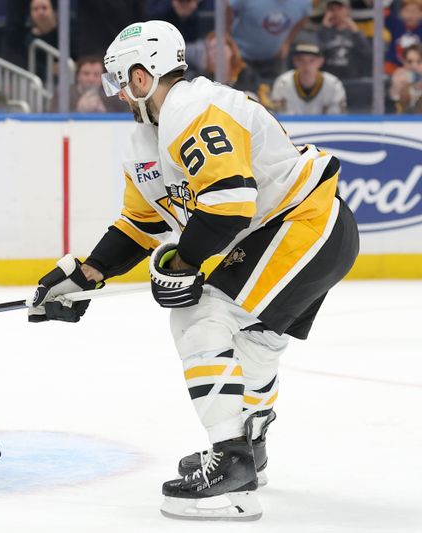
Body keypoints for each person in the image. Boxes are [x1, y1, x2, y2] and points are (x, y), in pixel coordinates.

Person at [28, 20, 359, 520]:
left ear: (142, 77)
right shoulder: (148, 138)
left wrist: (182, 265)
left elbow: (229, 203)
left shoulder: (193, 107)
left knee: (198, 313)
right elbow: (141, 224)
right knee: (256, 339)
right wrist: (85, 274)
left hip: (300, 227)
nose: (117, 94)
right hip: (306, 232)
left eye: (120, 81)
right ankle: (249, 444)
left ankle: (230, 467)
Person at [227, 0, 313, 80]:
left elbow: (304, 17)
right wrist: (227, 37)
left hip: (274, 57)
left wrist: (287, 41)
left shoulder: (304, 3)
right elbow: (227, 10)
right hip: (240, 55)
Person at [185, 31, 271, 105]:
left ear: (231, 50)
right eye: (210, 48)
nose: (214, 51)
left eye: (218, 46)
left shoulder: (247, 74)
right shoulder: (204, 80)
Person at [271, 42, 347, 114]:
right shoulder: (283, 83)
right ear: (295, 61)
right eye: (302, 60)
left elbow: (337, 119)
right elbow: (279, 117)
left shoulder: (334, 85)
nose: (307, 66)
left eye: (312, 60)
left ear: (321, 62)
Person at [49, 56, 129, 112]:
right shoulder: (64, 93)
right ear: (77, 76)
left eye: (96, 75)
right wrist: (78, 111)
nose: (91, 79)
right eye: (86, 73)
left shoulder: (112, 96)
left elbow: (126, 116)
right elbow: (52, 118)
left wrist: (104, 112)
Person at [317, 0, 373, 79]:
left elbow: (368, 55)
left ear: (348, 10)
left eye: (339, 9)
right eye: (332, 9)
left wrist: (356, 31)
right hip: (329, 79)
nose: (336, 12)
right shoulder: (323, 32)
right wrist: (324, 29)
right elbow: (317, 55)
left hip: (353, 80)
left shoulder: (355, 32)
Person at [385, 0, 422, 73]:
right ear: (401, 12)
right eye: (407, 11)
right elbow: (384, 12)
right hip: (395, 67)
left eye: (414, 12)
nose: (410, 15)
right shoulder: (396, 25)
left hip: (418, 68)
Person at [389, 43, 422, 112]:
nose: (414, 66)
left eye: (419, 62)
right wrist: (396, 87)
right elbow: (392, 104)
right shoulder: (399, 77)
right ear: (404, 62)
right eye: (409, 62)